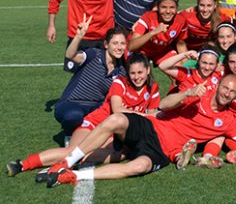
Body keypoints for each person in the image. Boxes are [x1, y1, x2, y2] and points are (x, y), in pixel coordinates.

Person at [43, 75, 236, 187]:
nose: (227, 93)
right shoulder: (198, 93)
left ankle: (74, 176)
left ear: (234, 96)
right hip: (152, 127)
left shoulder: (227, 119)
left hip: (162, 151)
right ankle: (67, 161)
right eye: (225, 88)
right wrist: (187, 93)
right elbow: (163, 104)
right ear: (220, 84)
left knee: (139, 167)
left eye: (232, 92)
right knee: (115, 119)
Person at [7, 53, 159, 178]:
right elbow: (118, 109)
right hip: (97, 123)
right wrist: (141, 114)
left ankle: (63, 169)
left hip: (116, 134)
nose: (137, 77)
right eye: (132, 73)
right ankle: (23, 164)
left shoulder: (153, 88)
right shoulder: (120, 82)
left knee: (122, 154)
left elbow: (151, 117)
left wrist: (142, 114)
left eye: (140, 72)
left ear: (148, 71)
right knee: (72, 151)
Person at [55, 19, 127, 136]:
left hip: (96, 107)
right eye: (115, 43)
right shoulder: (94, 54)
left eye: (122, 44)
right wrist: (78, 36)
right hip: (72, 103)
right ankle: (69, 135)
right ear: (106, 44)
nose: (119, 47)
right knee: (74, 116)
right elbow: (70, 55)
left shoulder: (122, 70)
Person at [128, 0, 188, 65]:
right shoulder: (148, 17)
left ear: (177, 8)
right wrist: (154, 32)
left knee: (180, 74)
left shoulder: (181, 21)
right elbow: (131, 46)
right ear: (158, 7)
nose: (168, 11)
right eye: (163, 7)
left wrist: (187, 70)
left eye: (172, 7)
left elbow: (181, 44)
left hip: (161, 52)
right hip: (141, 50)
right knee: (138, 74)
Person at [158, 45, 222, 94]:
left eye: (211, 64)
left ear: (216, 64)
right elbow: (162, 66)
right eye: (204, 62)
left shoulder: (218, 76)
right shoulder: (187, 74)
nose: (207, 67)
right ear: (198, 61)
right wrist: (185, 54)